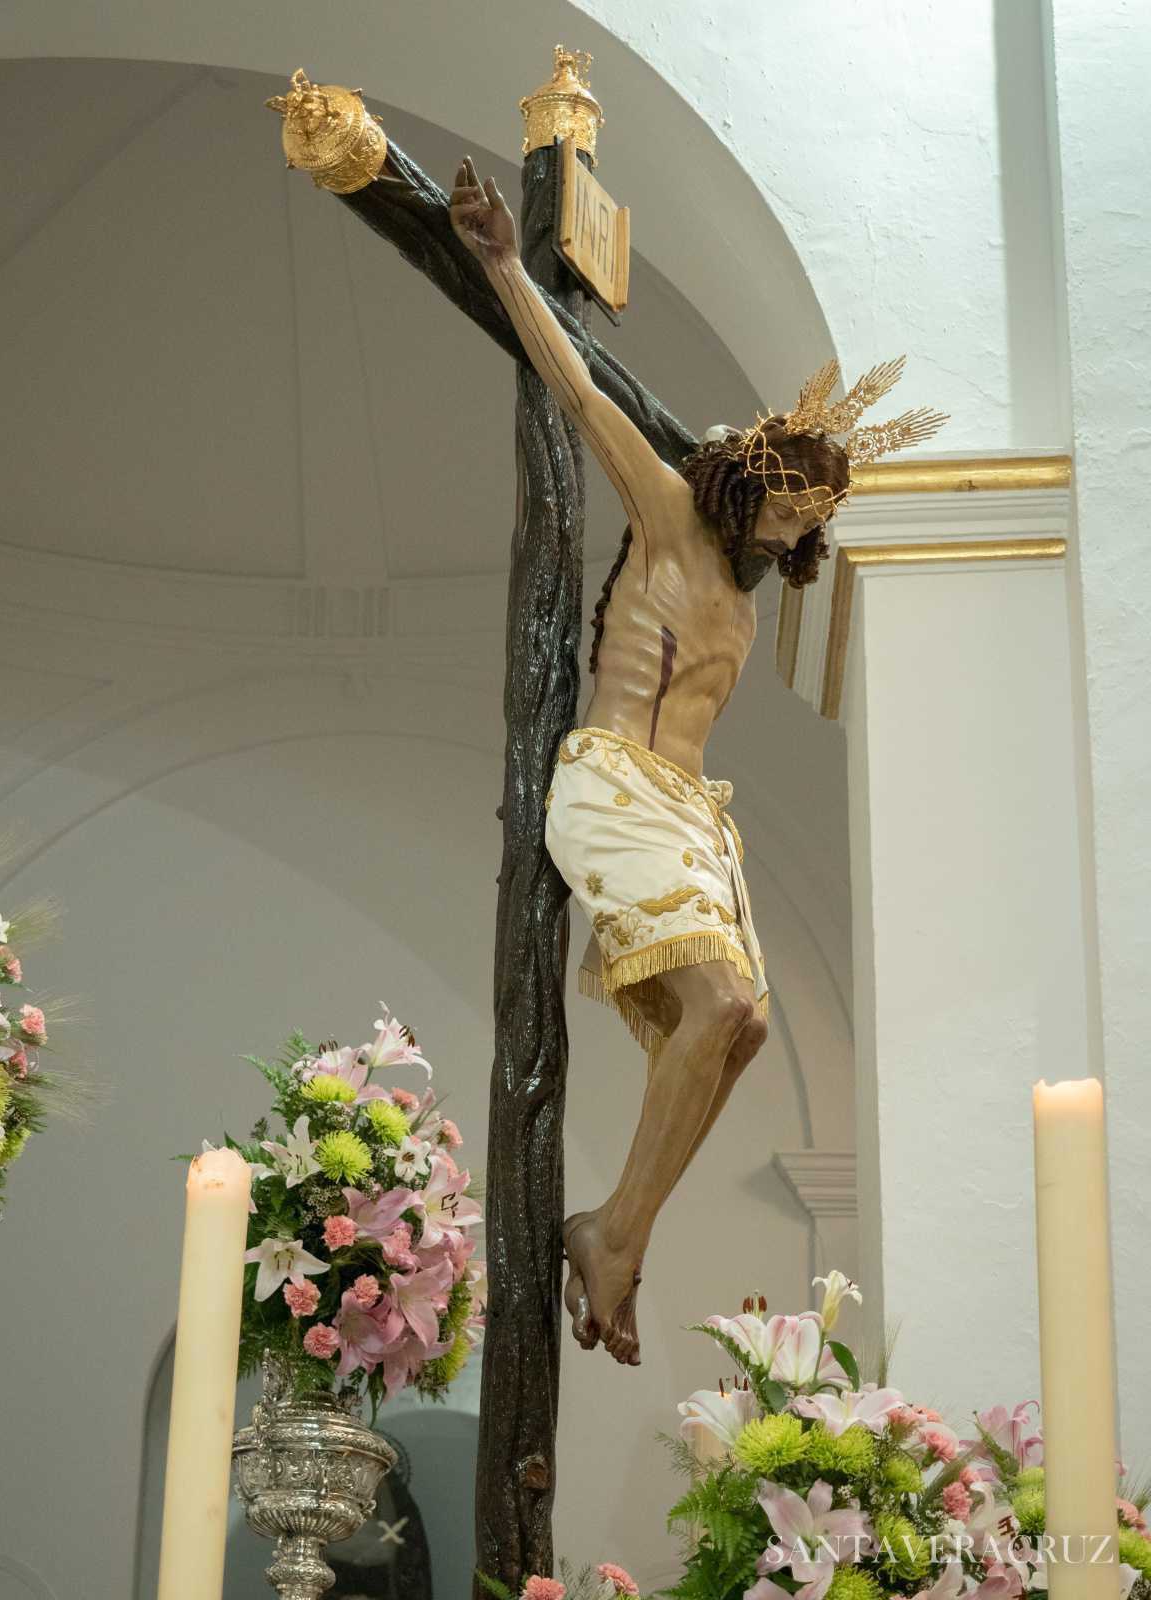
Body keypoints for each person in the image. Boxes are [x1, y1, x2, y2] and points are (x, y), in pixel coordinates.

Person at [449, 156, 945, 1366]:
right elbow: (579, 396)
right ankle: (613, 1241)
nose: (794, 533)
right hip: (613, 783)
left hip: (690, 816)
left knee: (749, 1025)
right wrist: (507, 262)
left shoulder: (748, 603)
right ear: (748, 477)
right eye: (786, 507)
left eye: (810, 525)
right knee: (719, 1001)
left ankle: (616, 1230)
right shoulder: (669, 513)